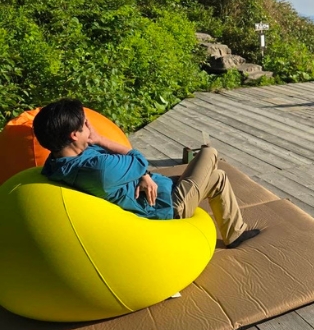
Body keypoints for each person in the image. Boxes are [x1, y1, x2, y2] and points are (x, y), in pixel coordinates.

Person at [32, 98, 259, 249]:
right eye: (85, 125)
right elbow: (139, 158)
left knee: (218, 177)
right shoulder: (98, 169)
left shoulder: (57, 163)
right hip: (168, 205)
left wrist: (144, 175)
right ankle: (234, 234)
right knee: (210, 153)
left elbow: (135, 166)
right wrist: (101, 139)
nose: (90, 129)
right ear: (74, 135)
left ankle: (235, 234)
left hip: (160, 189)